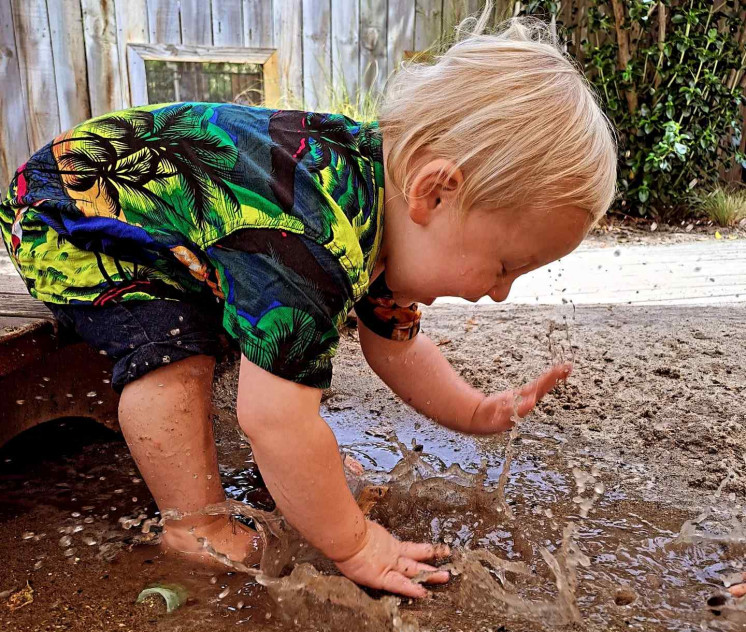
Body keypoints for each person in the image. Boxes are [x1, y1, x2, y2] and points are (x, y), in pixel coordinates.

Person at [0, 12, 616, 598]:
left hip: (155, 211)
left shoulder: (382, 201)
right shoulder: (313, 245)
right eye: (505, 265)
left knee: (255, 341)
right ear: (434, 191)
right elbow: (274, 422)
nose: (501, 291)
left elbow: (396, 344)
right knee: (175, 357)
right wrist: (356, 545)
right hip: (70, 214)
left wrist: (477, 411)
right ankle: (194, 528)